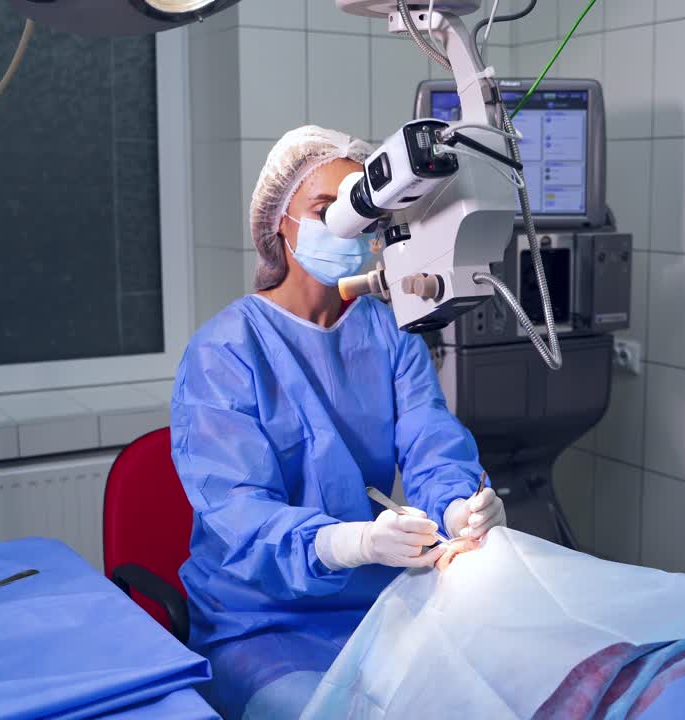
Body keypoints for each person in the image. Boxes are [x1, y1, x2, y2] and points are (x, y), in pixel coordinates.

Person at [171, 125, 507, 720]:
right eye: (324, 210)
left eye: (356, 210)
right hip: (258, 623)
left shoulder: (388, 333)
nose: (344, 228)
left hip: (379, 602)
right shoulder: (225, 350)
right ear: (281, 221)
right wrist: (349, 542)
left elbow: (432, 443)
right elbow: (238, 510)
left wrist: (459, 505)